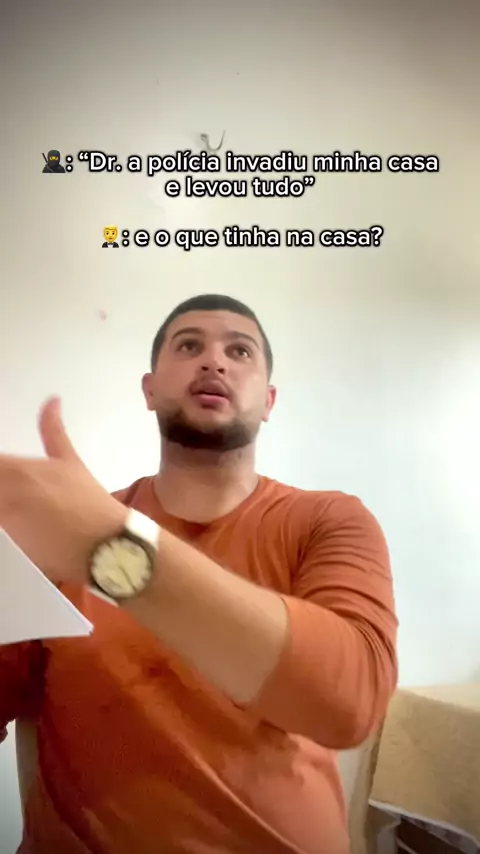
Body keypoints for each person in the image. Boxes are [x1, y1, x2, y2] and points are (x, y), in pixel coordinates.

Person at [0, 293, 398, 854]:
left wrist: (110, 548)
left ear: (269, 400)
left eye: (240, 351)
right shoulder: (69, 531)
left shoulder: (329, 520)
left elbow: (350, 704)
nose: (214, 361)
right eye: (189, 346)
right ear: (149, 389)